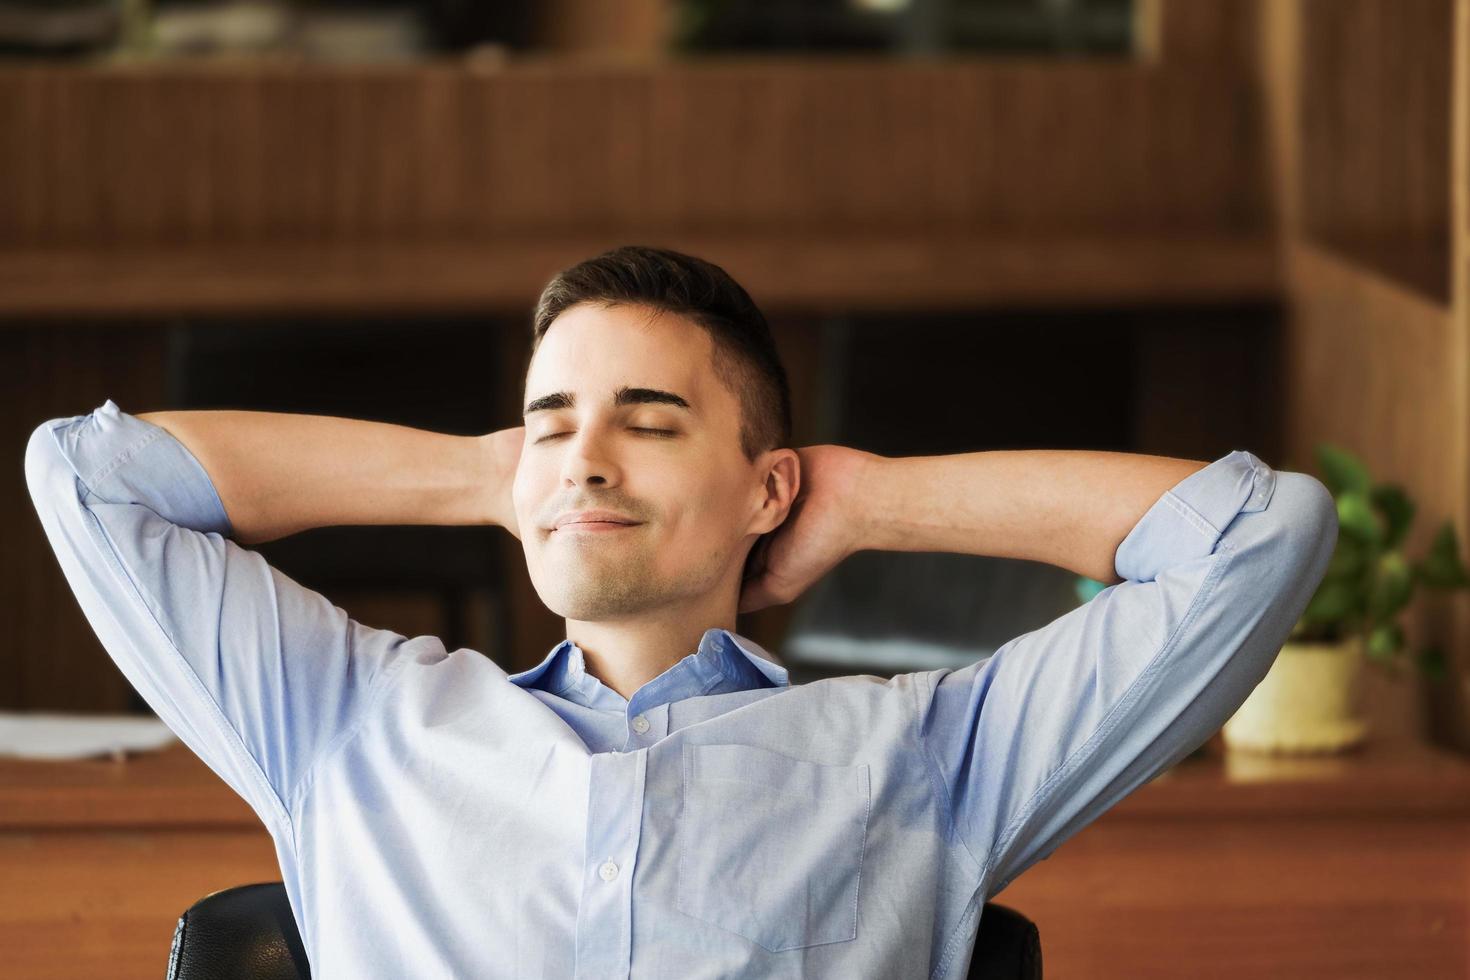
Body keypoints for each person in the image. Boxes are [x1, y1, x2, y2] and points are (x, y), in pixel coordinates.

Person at [25, 245, 1338, 979]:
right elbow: (87, 476)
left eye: (647, 424)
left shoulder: (928, 755)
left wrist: (864, 500)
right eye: (553, 423)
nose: (588, 457)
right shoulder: (345, 716)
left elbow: (1255, 533)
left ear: (767, 485)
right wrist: (495, 472)